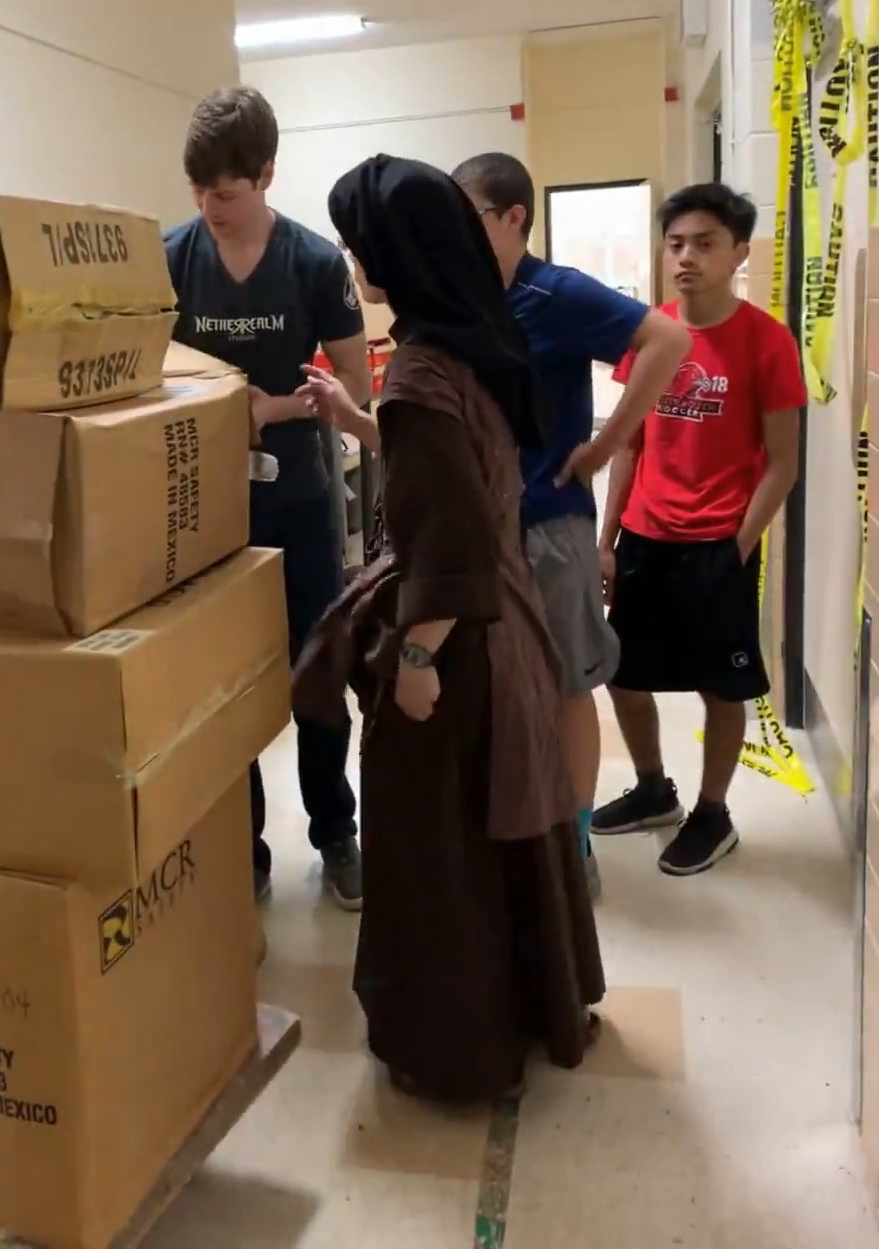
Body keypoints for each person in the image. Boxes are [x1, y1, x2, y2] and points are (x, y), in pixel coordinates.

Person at [294, 155, 604, 1103]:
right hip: (507, 623)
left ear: (398, 253)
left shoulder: (421, 373)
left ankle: (459, 1052)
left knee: (441, 848)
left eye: (358, 245)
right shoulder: (473, 341)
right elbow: (452, 474)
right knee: (503, 831)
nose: (352, 261)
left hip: (458, 642)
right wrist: (360, 419)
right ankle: (535, 1007)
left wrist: (418, 657)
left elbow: (451, 534)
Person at [451, 153, 690, 895]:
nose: (458, 235)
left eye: (470, 218)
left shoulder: (553, 293)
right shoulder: (463, 301)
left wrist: (607, 444)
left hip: (550, 525)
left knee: (566, 687)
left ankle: (576, 842)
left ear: (514, 217)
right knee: (496, 691)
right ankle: (519, 833)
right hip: (479, 529)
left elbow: (668, 342)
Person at [164, 86, 372, 910]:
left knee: (316, 674)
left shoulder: (313, 263)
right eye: (199, 192)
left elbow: (355, 383)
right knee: (224, 686)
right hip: (204, 511)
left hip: (299, 504)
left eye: (226, 193)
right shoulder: (171, 258)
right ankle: (242, 846)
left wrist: (273, 409)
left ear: (266, 176)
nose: (210, 209)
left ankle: (335, 831)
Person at [593, 183, 805, 875]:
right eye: (676, 243)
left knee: (722, 687)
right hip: (645, 536)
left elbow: (783, 462)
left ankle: (713, 813)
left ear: (738, 252)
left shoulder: (767, 342)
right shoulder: (653, 333)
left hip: (718, 543)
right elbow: (628, 443)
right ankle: (653, 789)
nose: (686, 257)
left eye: (705, 243)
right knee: (623, 674)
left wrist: (736, 548)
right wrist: (606, 541)